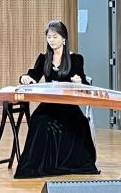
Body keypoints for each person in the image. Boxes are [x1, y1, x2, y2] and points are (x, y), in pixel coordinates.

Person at [14, 20, 99, 179]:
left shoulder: (76, 59)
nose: (51, 40)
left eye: (55, 37)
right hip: (48, 105)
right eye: (49, 37)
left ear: (63, 38)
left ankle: (69, 162)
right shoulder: (44, 58)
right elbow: (32, 75)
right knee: (38, 121)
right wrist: (25, 78)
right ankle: (42, 164)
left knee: (79, 123)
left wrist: (79, 81)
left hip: (68, 105)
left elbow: (83, 81)